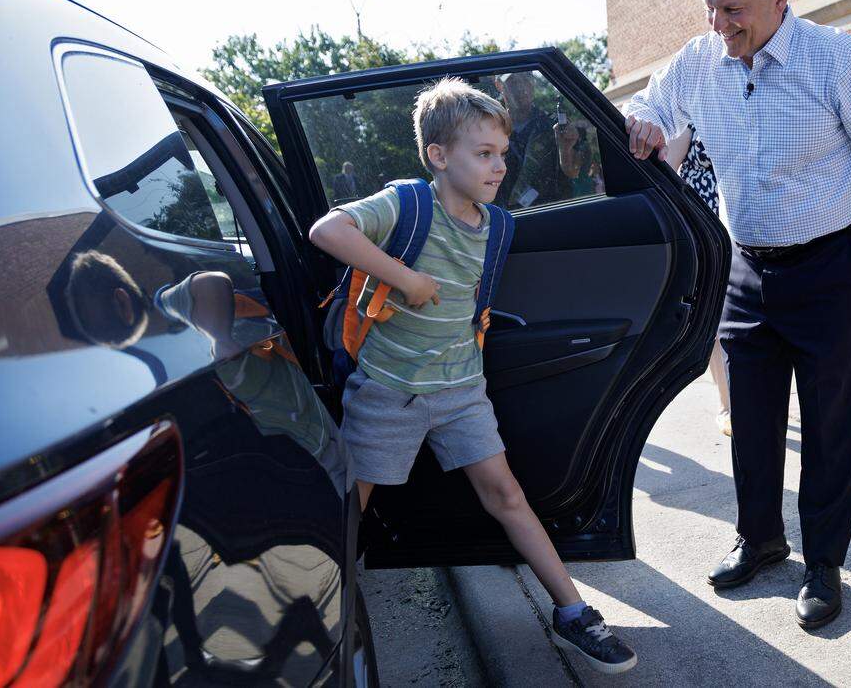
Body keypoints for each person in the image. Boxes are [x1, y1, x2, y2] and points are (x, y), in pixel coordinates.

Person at [623, 0, 851, 630]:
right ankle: (760, 539)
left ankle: (824, 562)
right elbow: (651, 104)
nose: (718, 22)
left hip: (828, 265)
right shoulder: (701, 60)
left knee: (829, 423)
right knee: (751, 420)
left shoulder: (836, 60)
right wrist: (642, 122)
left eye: (732, 7)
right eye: (711, 6)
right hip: (746, 269)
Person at [308, 78, 636, 674]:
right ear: (438, 155)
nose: (498, 166)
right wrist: (405, 280)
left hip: (462, 392)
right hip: (390, 393)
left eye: (502, 154)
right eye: (483, 154)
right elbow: (327, 231)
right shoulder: (406, 204)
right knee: (350, 511)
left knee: (508, 495)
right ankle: (320, 616)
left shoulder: (497, 225)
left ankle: (572, 613)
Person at [665, 126, 731, 436]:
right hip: (708, 230)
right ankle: (727, 405)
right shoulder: (688, 118)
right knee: (718, 322)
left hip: (743, 221)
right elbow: (668, 173)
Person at [494, 73, 580, 209]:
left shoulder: (554, 126)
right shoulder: (490, 130)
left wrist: (566, 149)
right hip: (507, 220)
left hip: (553, 214)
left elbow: (574, 172)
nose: (521, 87)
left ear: (533, 83)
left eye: (526, 79)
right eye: (513, 81)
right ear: (499, 85)